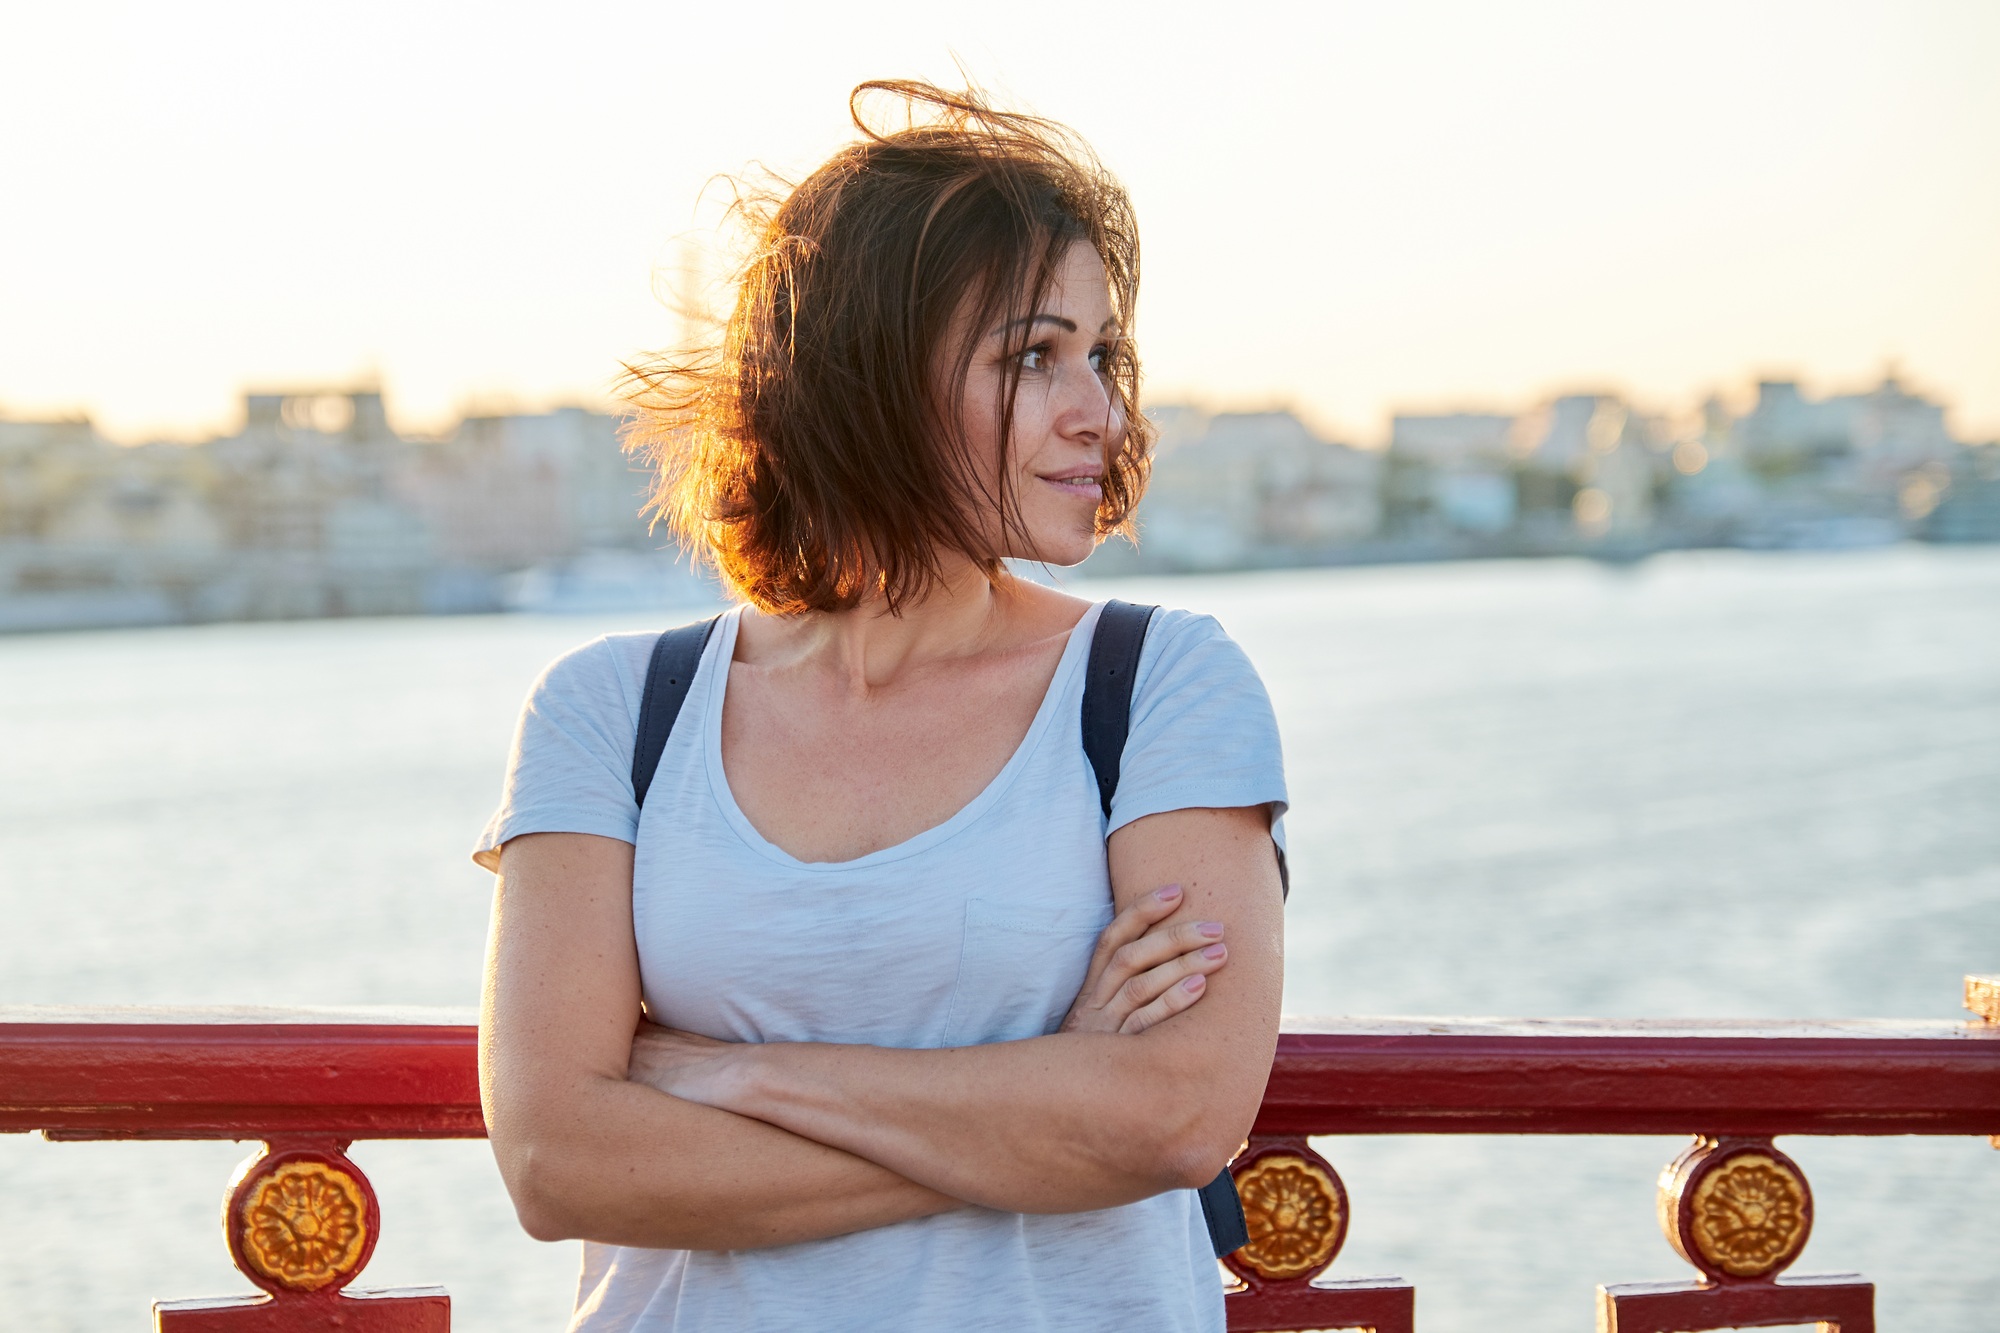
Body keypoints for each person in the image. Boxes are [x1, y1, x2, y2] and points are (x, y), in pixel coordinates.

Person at [474, 81, 1288, 1333]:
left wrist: (730, 1075)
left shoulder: (1158, 687)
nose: (1101, 413)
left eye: (1102, 354)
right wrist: (1039, 1105)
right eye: (1033, 355)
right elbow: (559, 1162)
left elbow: (1174, 1116)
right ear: (863, 377)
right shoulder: (611, 714)